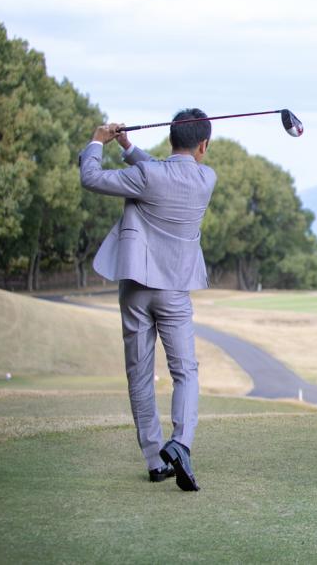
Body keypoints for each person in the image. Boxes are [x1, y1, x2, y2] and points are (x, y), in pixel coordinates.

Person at [79, 109, 217, 492]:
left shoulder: (147, 176)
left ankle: (156, 462)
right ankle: (182, 443)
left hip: (137, 287)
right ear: (203, 146)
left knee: (139, 373)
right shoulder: (207, 178)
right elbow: (162, 173)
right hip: (175, 290)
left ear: (171, 138)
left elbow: (90, 177)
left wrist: (98, 140)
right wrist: (127, 146)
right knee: (185, 370)